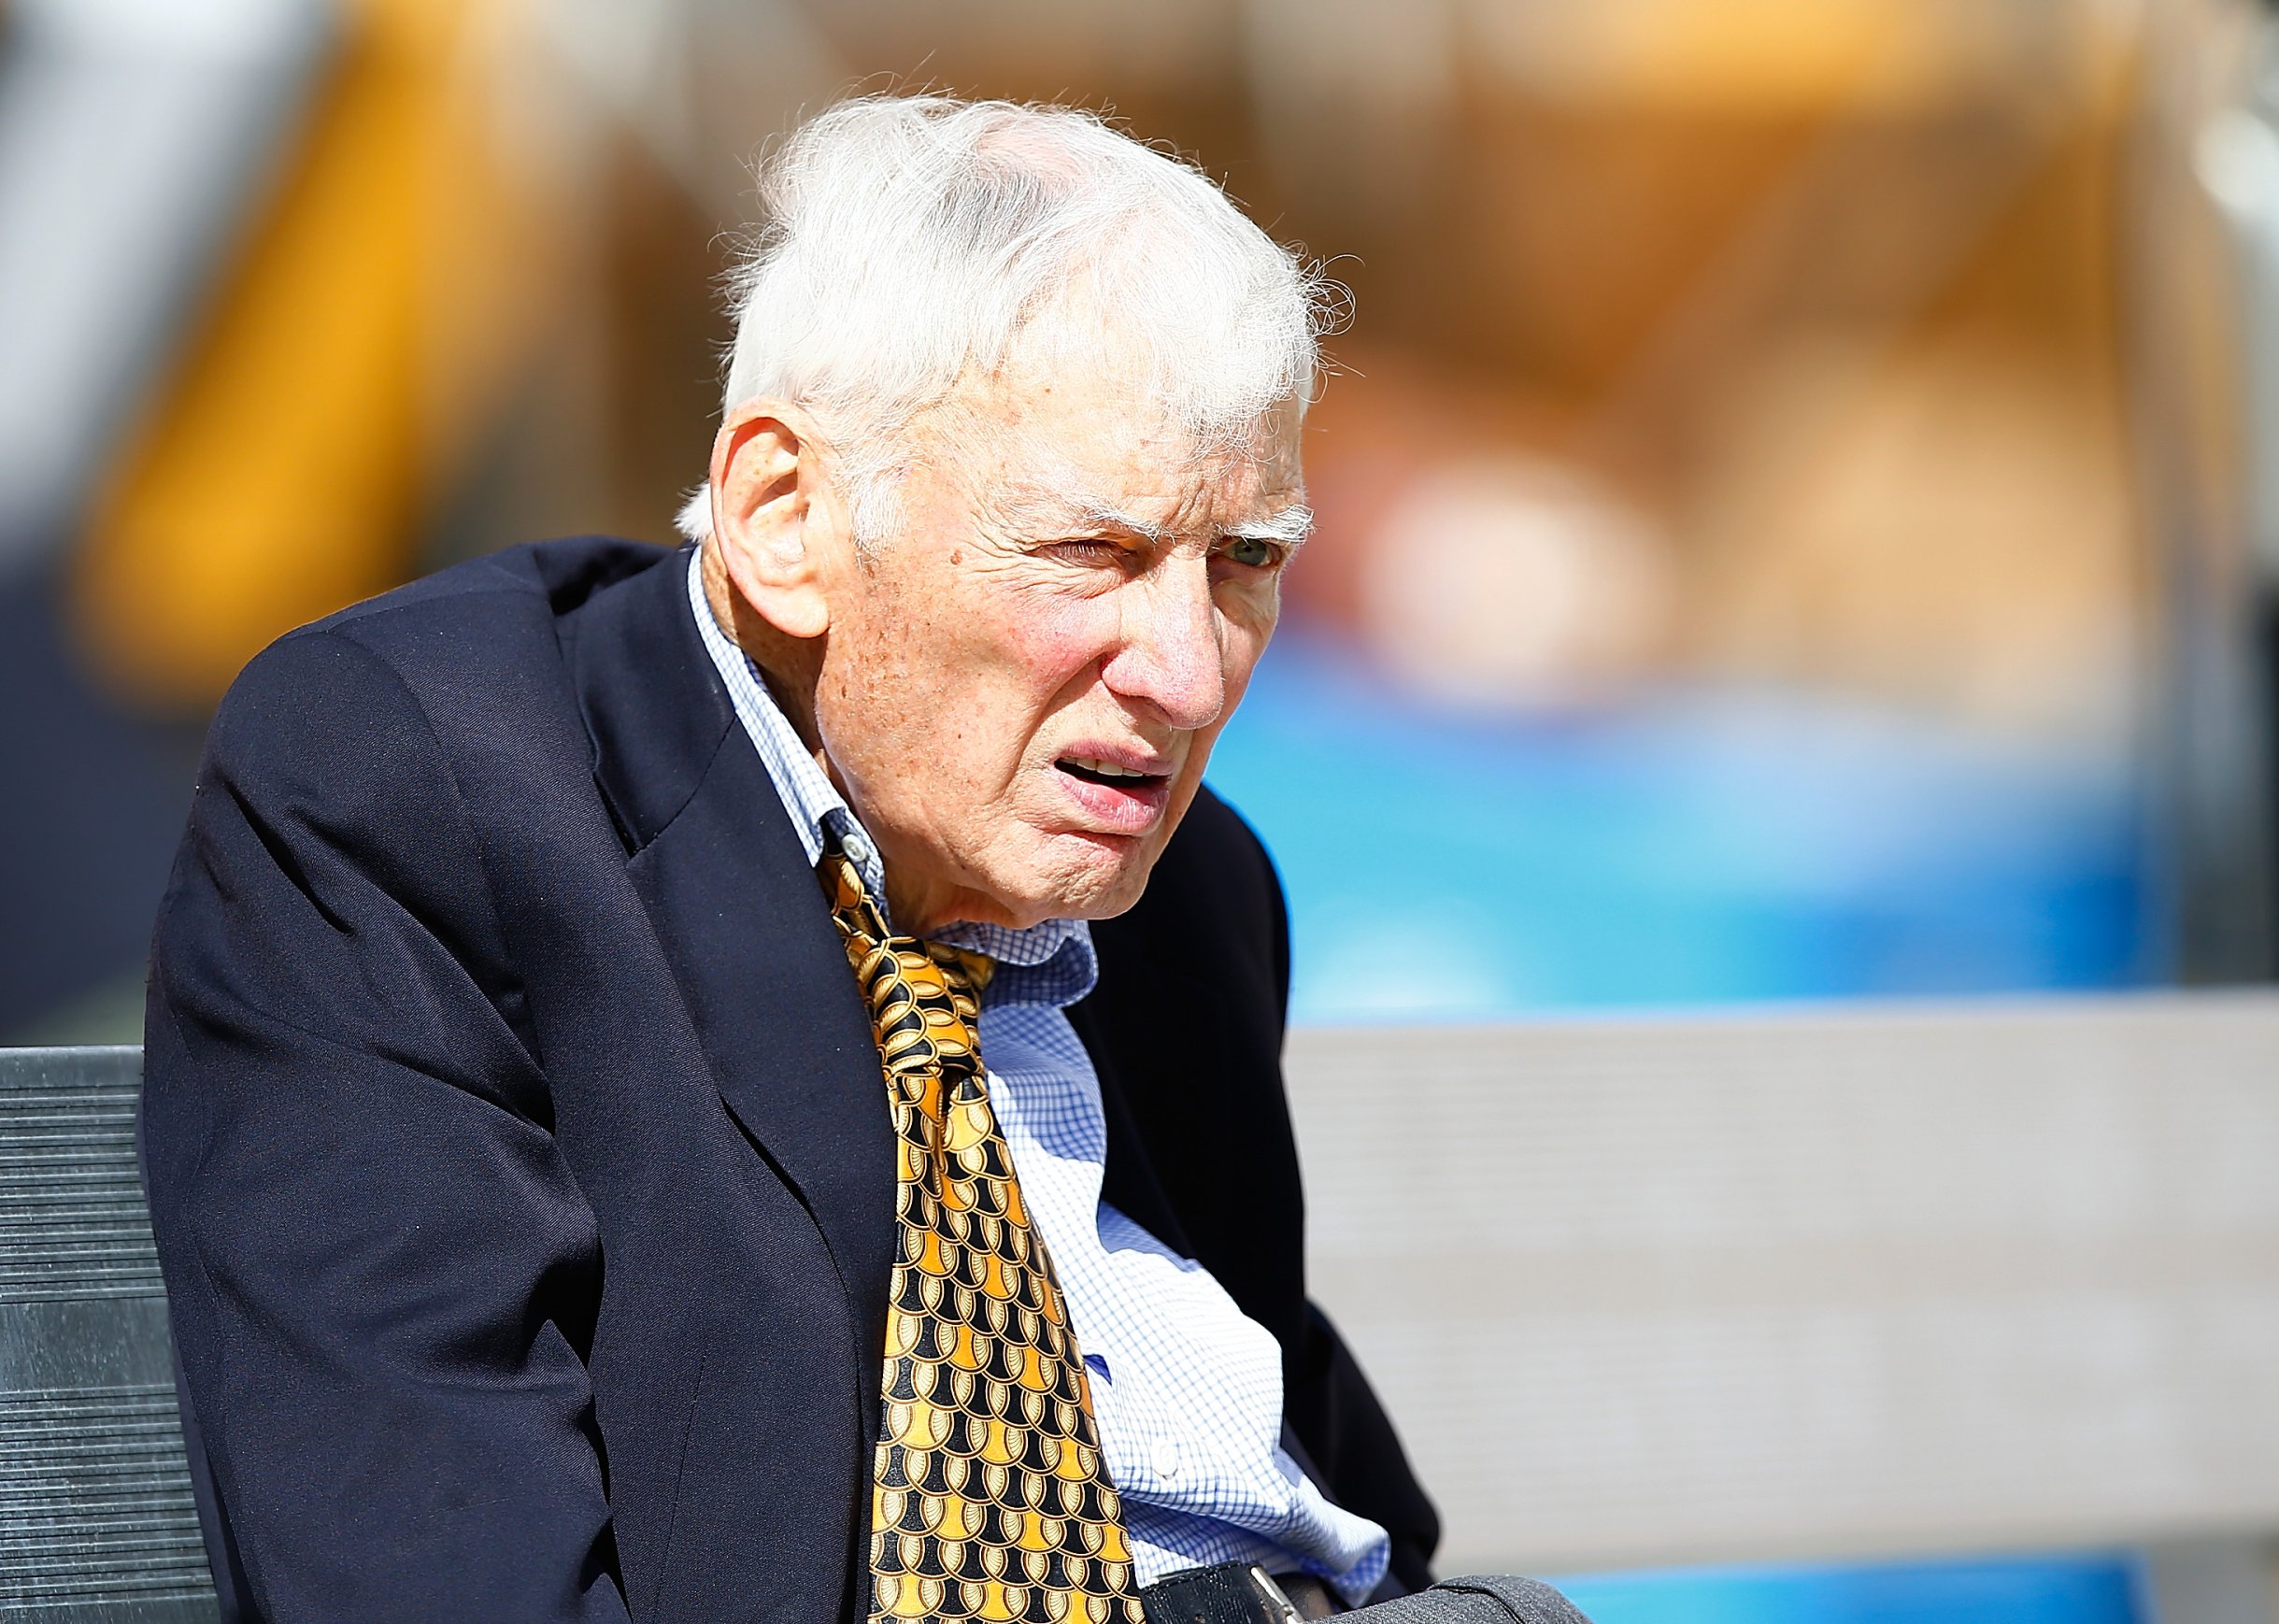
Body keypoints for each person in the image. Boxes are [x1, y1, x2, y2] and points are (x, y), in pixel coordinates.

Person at [142, 95, 1586, 1624]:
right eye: (1091, 551)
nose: (1188, 667)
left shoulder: (1179, 898)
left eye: (1246, 562)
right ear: (786, 516)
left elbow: (1354, 1510)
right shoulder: (431, 787)